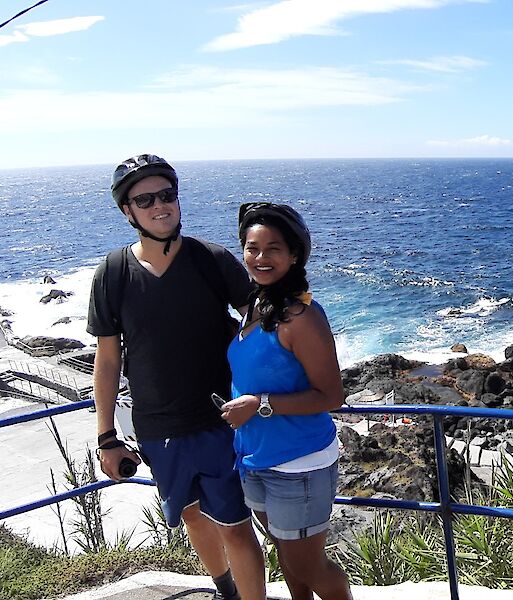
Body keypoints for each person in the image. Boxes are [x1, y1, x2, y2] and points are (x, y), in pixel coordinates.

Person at [88, 154, 265, 600]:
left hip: (220, 420)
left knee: (236, 525)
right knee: (190, 514)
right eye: (144, 200)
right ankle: (225, 590)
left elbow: (263, 323)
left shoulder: (211, 259)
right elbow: (107, 360)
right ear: (127, 211)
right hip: (157, 428)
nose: (159, 205)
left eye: (166, 194)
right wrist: (107, 437)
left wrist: (269, 394)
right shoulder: (113, 273)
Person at [220, 202, 352, 600]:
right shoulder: (256, 307)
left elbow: (332, 395)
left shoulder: (301, 317)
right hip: (255, 457)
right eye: (252, 248)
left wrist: (259, 404)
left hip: (299, 464)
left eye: (273, 248)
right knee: (286, 554)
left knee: (308, 565)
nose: (261, 257)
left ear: (294, 255)